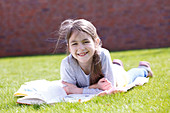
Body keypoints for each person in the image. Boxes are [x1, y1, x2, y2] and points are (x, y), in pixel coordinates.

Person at [55, 19, 153, 95]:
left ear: (96, 42)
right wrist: (96, 87)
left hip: (117, 78)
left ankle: (144, 69)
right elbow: (68, 90)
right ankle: (116, 65)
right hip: (108, 73)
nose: (81, 48)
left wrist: (78, 90)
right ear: (69, 47)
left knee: (129, 77)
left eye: (86, 42)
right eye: (74, 43)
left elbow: (111, 88)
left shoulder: (103, 54)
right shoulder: (67, 63)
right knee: (116, 69)